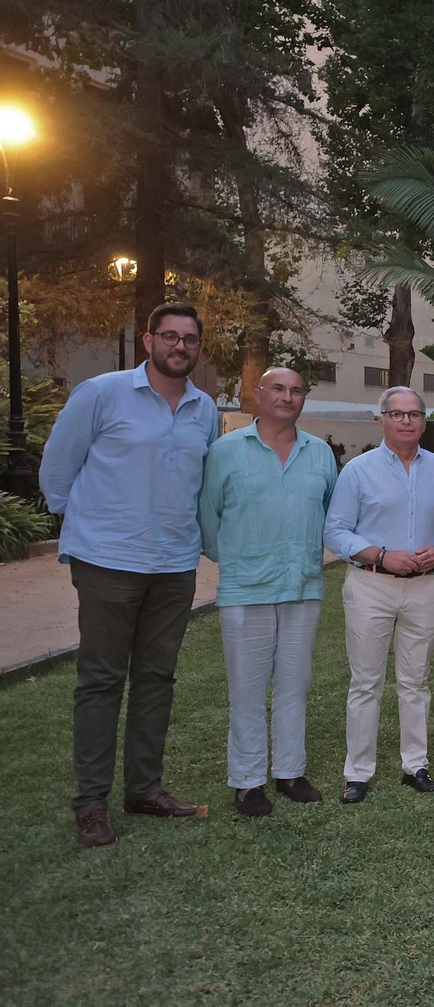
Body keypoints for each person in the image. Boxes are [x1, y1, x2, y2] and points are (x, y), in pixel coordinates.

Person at [39, 303, 218, 848]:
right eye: (170, 336)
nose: (180, 346)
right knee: (101, 680)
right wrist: (91, 528)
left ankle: (144, 790)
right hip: (108, 561)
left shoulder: (205, 408)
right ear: (148, 340)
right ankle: (90, 804)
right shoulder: (101, 393)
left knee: (157, 679)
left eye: (190, 339)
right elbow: (57, 469)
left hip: (174, 564)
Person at [198, 368, 338, 817]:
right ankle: (248, 781)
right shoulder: (225, 452)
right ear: (258, 394)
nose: (287, 397)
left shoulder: (319, 453)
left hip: (302, 586)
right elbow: (207, 517)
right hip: (246, 589)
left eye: (296, 390)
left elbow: (330, 513)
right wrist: (239, 559)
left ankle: (290, 772)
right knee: (247, 690)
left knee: (295, 686)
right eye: (278, 388)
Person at [323, 386, 434, 804]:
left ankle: (415, 765)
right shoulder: (358, 471)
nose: (406, 421)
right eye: (396, 414)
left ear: (424, 422)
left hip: (424, 587)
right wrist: (380, 555)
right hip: (371, 585)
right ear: (381, 419)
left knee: (416, 681)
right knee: (366, 682)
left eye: (414, 414)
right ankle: (358, 772)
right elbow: (335, 530)